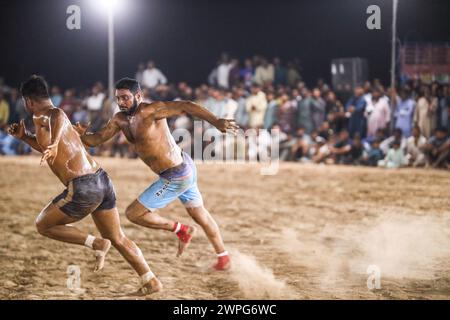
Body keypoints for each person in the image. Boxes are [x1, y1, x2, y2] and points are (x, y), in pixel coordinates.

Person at [8, 75, 162, 294]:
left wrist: (52, 143)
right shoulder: (46, 120)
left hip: (83, 186)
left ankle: (96, 243)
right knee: (117, 237)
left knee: (43, 225)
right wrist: (25, 138)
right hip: (101, 180)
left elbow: (58, 118)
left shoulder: (50, 113)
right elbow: (50, 145)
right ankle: (150, 280)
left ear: (28, 101)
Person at [75, 78, 238, 270]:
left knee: (134, 214)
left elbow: (186, 105)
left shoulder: (151, 110)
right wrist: (83, 135)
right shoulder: (120, 119)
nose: (121, 102)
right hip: (182, 166)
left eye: (126, 98)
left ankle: (181, 230)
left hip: (177, 175)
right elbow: (97, 140)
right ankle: (223, 257)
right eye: (118, 98)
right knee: (200, 214)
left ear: (138, 96)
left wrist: (216, 121)